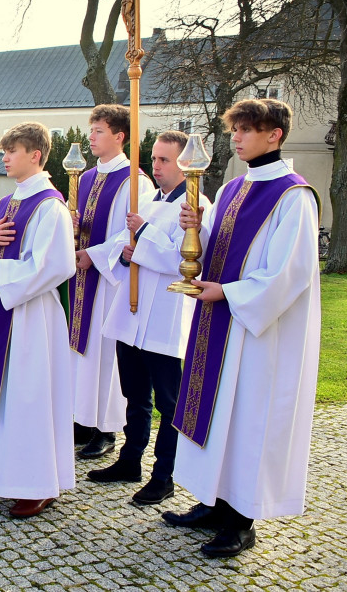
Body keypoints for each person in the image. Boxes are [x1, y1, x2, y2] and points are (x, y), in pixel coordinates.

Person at [163, 99, 320, 558]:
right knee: (215, 416)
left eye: (247, 129)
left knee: (247, 419)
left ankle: (240, 521)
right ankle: (212, 502)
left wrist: (228, 293)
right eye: (235, 129)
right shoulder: (233, 188)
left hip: (257, 333)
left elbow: (288, 273)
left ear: (275, 134)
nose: (236, 137)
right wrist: (196, 230)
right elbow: (219, 247)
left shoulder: (293, 196)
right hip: (219, 321)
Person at [0, 122, 76, 519]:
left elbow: (55, 266)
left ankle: (36, 483)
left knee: (28, 394)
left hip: (32, 315)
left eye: (13, 151)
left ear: (36, 155)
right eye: (5, 151)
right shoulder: (6, 202)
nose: (5, 158)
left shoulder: (50, 207)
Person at [95, 131, 212, 505]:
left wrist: (142, 235)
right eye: (155, 158)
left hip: (166, 315)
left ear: (184, 165)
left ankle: (164, 475)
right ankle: (130, 460)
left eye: (165, 160)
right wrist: (125, 253)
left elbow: (184, 261)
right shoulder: (144, 200)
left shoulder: (195, 207)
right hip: (132, 314)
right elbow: (120, 246)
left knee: (169, 401)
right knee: (134, 394)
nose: (156, 166)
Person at [70, 104, 153, 459]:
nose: (91, 136)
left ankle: (106, 428)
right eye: (91, 130)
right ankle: (82, 418)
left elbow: (132, 232)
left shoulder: (134, 181)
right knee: (81, 351)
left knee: (106, 356)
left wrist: (95, 254)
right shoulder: (85, 177)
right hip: (80, 279)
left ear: (120, 136)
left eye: (99, 131)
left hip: (109, 282)